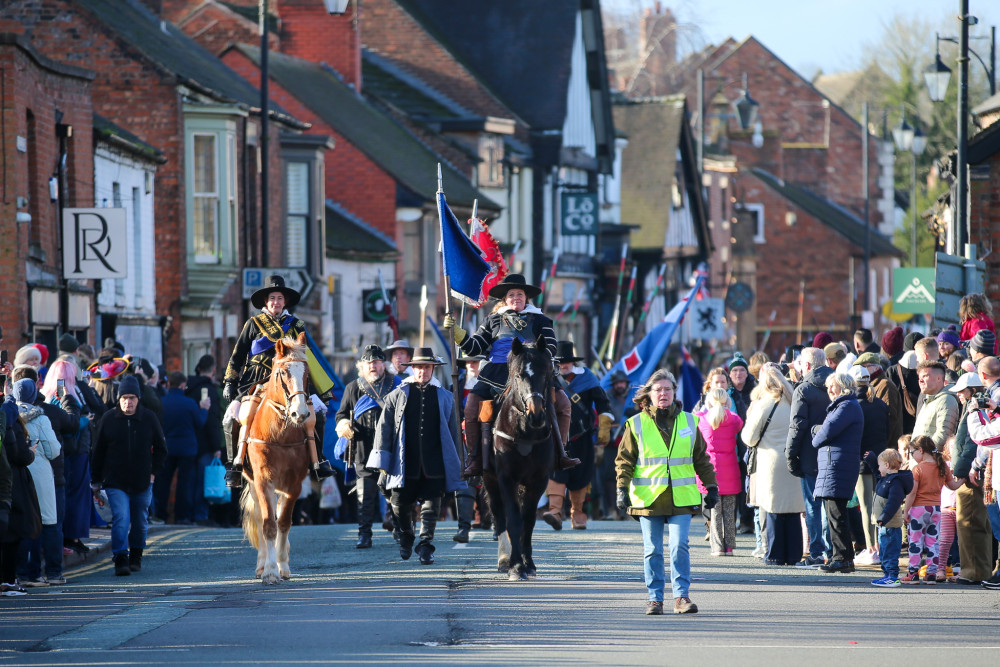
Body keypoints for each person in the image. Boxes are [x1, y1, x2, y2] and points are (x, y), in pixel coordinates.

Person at [442, 274, 579, 477]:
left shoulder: (540, 319)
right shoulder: (492, 320)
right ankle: (475, 458)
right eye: (512, 294)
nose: (516, 297)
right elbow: (474, 347)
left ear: (526, 298)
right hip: (496, 371)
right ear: (505, 299)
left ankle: (560, 453)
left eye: (520, 294)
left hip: (532, 371)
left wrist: (533, 357)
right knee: (471, 406)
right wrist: (457, 332)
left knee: (564, 404)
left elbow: (550, 347)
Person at [615, 370, 719, 615]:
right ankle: (655, 599)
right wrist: (621, 488)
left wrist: (711, 486)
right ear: (649, 395)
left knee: (679, 545)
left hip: (681, 498)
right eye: (658, 390)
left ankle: (681, 597)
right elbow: (624, 460)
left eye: (668, 389)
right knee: (652, 549)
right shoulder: (636, 423)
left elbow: (701, 459)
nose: (663, 394)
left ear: (674, 392)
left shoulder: (689, 421)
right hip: (649, 498)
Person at [221, 274, 334, 487]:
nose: (276, 302)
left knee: (318, 413)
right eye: (272, 298)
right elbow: (238, 355)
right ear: (266, 302)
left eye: (280, 298)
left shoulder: (296, 324)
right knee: (231, 417)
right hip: (255, 380)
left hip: (290, 381)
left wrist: (322, 389)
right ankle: (233, 466)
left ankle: (318, 461)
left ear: (285, 302)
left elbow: (307, 356)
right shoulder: (253, 324)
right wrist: (229, 381)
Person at [368, 348, 467, 565]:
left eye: (427, 367)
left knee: (432, 505)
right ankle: (405, 535)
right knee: (399, 503)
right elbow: (384, 429)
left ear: (433, 369)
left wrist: (459, 462)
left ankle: (425, 545)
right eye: (419, 367)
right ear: (413, 368)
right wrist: (382, 462)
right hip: (404, 462)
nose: (423, 371)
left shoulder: (446, 397)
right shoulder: (396, 395)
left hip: (434, 461)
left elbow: (453, 433)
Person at [91, 375, 167, 576]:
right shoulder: (108, 419)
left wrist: (153, 473)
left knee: (141, 522)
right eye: (124, 397)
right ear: (118, 398)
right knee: (121, 518)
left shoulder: (149, 418)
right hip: (115, 481)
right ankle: (120, 558)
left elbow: (161, 448)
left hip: (143, 481)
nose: (128, 401)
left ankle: (136, 556)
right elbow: (98, 451)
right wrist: (96, 480)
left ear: (139, 398)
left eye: (132, 397)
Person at [335, 345, 401, 548]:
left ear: (383, 365)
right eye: (369, 363)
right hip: (363, 450)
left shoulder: (396, 384)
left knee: (395, 493)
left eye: (377, 362)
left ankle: (400, 530)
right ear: (362, 366)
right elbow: (341, 414)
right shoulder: (353, 388)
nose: (373, 366)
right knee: (365, 496)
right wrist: (344, 424)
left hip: (391, 449)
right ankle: (364, 534)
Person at [543, 342, 613, 531]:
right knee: (556, 474)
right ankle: (555, 513)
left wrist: (604, 427)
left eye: (565, 362)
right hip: (556, 436)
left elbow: (603, 404)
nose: (562, 365)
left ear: (572, 362)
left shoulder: (588, 378)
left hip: (582, 437)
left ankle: (578, 515)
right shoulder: (549, 379)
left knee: (581, 476)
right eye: (559, 362)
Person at [742, 363, 803, 566]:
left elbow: (749, 438)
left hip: (770, 462)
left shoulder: (764, 404)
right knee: (792, 509)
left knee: (774, 509)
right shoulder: (793, 400)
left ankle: (775, 555)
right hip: (792, 460)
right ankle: (793, 554)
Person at [784, 346, 833, 568]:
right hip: (834, 455)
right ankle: (832, 551)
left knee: (814, 506)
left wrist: (790, 454)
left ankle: (816, 552)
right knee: (830, 505)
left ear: (806, 365)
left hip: (810, 455)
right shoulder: (837, 385)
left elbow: (797, 426)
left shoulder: (803, 389)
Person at [10, 379, 61, 587]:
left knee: (21, 523)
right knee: (47, 522)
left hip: (15, 476)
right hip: (39, 475)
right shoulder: (41, 418)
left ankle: (22, 572)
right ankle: (51, 572)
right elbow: (53, 451)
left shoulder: (8, 414)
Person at [811, 372, 863, 573]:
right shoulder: (844, 406)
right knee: (836, 515)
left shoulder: (847, 406)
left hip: (837, 466)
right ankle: (844, 558)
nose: (829, 390)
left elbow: (824, 433)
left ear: (843, 386)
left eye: (832, 386)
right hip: (836, 466)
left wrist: (816, 430)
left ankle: (840, 558)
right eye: (827, 387)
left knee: (836, 515)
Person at [950, 369, 994, 585]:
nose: (959, 394)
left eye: (962, 391)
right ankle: (981, 570)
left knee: (970, 523)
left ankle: (973, 572)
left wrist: (960, 473)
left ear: (972, 390)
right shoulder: (975, 407)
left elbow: (971, 443)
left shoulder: (974, 410)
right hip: (978, 470)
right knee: (981, 523)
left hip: (972, 474)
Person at [900, 435, 963, 584]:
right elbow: (953, 486)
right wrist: (963, 479)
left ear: (920, 450)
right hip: (936, 509)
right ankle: (931, 574)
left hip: (918, 509)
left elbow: (912, 492)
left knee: (915, 541)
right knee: (933, 542)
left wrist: (906, 510)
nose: (912, 456)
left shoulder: (918, 469)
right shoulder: (942, 466)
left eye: (912, 452)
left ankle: (913, 573)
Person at [154, 372, 210, 525]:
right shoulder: (190, 403)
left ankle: (161, 515)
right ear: (182, 385)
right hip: (187, 449)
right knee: (185, 484)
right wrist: (204, 409)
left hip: (167, 448)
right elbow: (199, 423)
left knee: (163, 483)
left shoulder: (161, 402)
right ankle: (182, 516)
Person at [849, 365, 890, 567]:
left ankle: (872, 549)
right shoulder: (880, 404)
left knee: (865, 507)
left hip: (861, 462)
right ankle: (879, 547)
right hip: (880, 460)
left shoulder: (853, 405)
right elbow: (887, 432)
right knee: (879, 505)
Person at [694, 388, 742, 555]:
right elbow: (738, 426)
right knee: (729, 513)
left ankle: (717, 547)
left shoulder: (701, 419)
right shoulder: (734, 419)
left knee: (714, 512)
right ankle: (729, 547)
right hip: (730, 469)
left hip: (711, 470)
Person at [185, 355, 223, 526]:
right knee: (203, 481)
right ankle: (201, 515)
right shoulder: (210, 390)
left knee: (190, 481)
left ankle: (189, 514)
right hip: (206, 444)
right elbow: (212, 421)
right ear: (213, 370)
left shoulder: (188, 388)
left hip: (190, 442)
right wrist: (216, 446)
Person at [869, 449, 913, 588]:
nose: (878, 468)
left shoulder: (895, 482)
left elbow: (894, 502)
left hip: (889, 525)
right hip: (884, 525)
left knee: (889, 552)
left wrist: (884, 517)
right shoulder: (886, 479)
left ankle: (892, 576)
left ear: (887, 465)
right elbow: (877, 474)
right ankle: (887, 575)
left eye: (879, 465)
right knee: (884, 551)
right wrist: (871, 460)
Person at [854, 352, 902, 452]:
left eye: (864, 366)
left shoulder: (885, 385)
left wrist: (885, 445)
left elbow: (890, 417)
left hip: (887, 448)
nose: (861, 370)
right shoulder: (871, 384)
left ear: (876, 367)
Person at [602, 369, 634, 519]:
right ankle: (612, 510)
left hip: (629, 441)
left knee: (630, 474)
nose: (620, 385)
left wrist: (632, 412)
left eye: (622, 382)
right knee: (609, 475)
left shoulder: (631, 397)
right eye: (618, 383)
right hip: (612, 441)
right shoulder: (607, 396)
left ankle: (628, 509)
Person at [912, 361, 959, 449]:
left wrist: (924, 454)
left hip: (930, 459)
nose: (920, 381)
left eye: (925, 376)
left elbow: (943, 435)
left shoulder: (946, 400)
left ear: (939, 378)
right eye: (919, 378)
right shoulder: (928, 401)